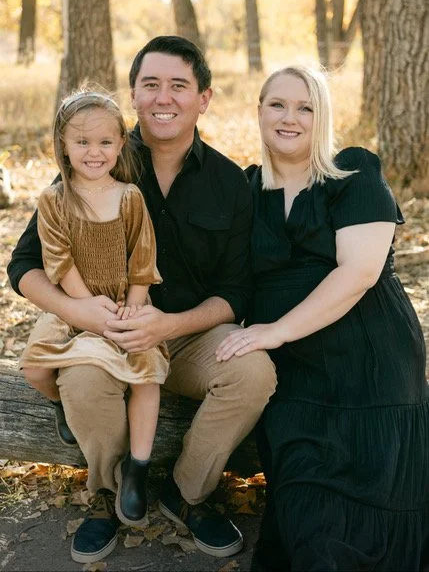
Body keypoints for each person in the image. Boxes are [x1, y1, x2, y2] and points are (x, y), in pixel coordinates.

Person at [7, 36, 277, 564]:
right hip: (102, 331)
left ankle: (188, 491)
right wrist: (76, 311)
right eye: (150, 84)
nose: (163, 97)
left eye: (179, 85)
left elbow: (237, 292)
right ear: (133, 93)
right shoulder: (95, 151)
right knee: (82, 379)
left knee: (254, 371)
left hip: (190, 334)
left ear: (204, 98)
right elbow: (24, 265)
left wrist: (169, 326)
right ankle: (107, 495)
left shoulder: (229, 181)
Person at [216, 64, 429, 571]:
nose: (290, 118)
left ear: (322, 116)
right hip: (297, 378)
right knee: (309, 527)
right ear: (260, 111)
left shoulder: (353, 173)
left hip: (371, 366)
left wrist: (274, 330)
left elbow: (358, 273)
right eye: (278, 105)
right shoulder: (245, 189)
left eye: (305, 107)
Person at [19, 89, 170, 534]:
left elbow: (143, 260)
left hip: (127, 305)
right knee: (34, 367)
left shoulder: (129, 198)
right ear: (62, 144)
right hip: (76, 306)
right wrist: (85, 308)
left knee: (147, 374)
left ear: (121, 143)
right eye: (81, 142)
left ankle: (137, 469)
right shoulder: (54, 200)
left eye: (105, 142)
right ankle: (62, 404)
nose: (94, 152)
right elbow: (58, 260)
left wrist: (132, 309)